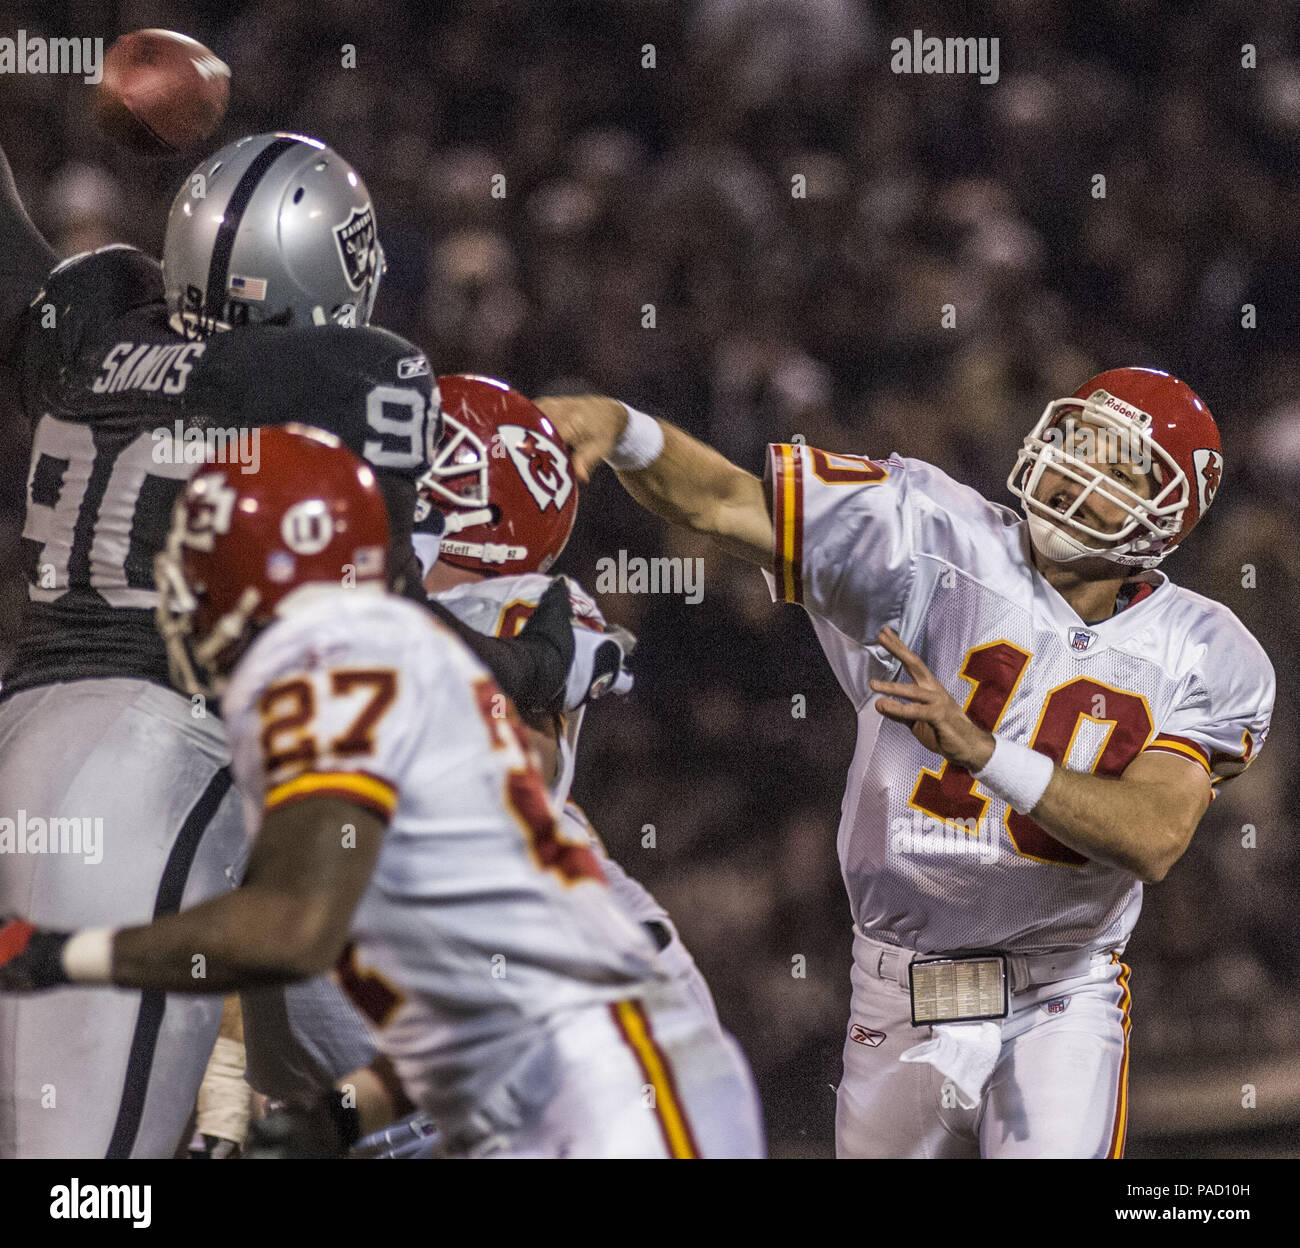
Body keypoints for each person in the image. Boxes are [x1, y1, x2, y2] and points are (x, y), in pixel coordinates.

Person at [0, 131, 595, 1159]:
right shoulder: (344, 373)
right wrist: (535, 664)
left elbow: (22, 269)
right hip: (152, 761)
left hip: (28, 723)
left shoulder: (92, 326)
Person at [536, 367, 1274, 1158]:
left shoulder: (1205, 648)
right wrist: (626, 428)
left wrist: (984, 751)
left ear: (1169, 514)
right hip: (900, 982)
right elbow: (723, 501)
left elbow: (1155, 835)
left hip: (1061, 990)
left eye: (1116, 467)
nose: (1075, 474)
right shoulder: (927, 531)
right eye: (1075, 445)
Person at [0, 425, 767, 1159]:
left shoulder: (324, 663)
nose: (181, 597)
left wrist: (59, 953)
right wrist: (329, 1122)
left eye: (199, 566)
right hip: (606, 1083)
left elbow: (290, 928)